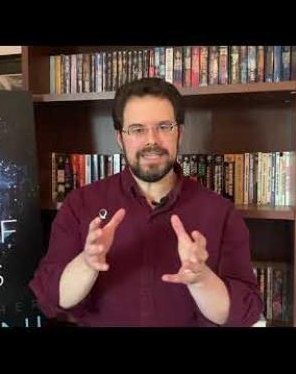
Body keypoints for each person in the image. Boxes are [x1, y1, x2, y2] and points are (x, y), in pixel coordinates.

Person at [29, 77, 263, 327]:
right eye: (138, 129)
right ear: (120, 138)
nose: (152, 140)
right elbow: (51, 299)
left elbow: (244, 314)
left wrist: (201, 278)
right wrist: (87, 263)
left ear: (179, 133)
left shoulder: (220, 212)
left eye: (164, 126)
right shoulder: (81, 204)